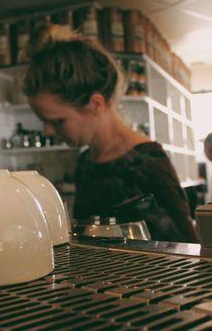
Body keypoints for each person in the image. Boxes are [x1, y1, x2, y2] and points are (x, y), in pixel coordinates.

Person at [22, 24, 198, 243]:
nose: (48, 131)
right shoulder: (86, 161)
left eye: (57, 121)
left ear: (96, 103)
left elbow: (189, 250)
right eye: (44, 122)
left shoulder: (147, 164)